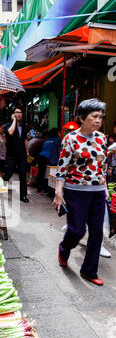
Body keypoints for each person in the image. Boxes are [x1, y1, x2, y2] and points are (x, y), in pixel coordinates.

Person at [53, 98, 108, 286]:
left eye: (101, 117)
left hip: (98, 191)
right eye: (94, 116)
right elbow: (62, 167)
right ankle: (64, 247)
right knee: (77, 230)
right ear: (82, 117)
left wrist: (105, 188)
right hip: (75, 191)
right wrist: (58, 193)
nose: (98, 120)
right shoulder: (70, 138)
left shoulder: (102, 138)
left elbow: (102, 165)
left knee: (97, 232)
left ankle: (89, 270)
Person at [3, 106, 30, 203]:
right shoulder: (7, 125)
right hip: (11, 154)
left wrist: (27, 152)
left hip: (22, 154)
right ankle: (1, 190)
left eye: (20, 112)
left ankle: (23, 195)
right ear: (13, 114)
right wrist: (14, 120)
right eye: (16, 112)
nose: (19, 114)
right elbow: (10, 132)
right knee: (8, 173)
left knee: (23, 174)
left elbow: (25, 140)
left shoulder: (24, 126)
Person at [36, 128, 61, 193]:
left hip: (41, 156)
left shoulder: (47, 140)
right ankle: (45, 189)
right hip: (47, 158)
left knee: (41, 173)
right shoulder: (58, 140)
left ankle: (39, 188)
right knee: (48, 174)